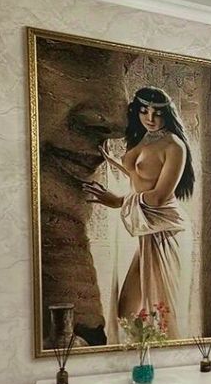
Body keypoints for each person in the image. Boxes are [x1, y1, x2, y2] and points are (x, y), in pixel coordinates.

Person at [82, 86, 194, 338]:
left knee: (162, 312)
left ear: (167, 114)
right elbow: (141, 175)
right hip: (147, 229)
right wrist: (111, 161)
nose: (150, 118)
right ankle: (140, 354)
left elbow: (159, 196)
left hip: (167, 230)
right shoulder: (145, 137)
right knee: (126, 310)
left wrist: (118, 201)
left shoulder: (174, 146)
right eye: (144, 111)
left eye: (157, 113)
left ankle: (168, 359)